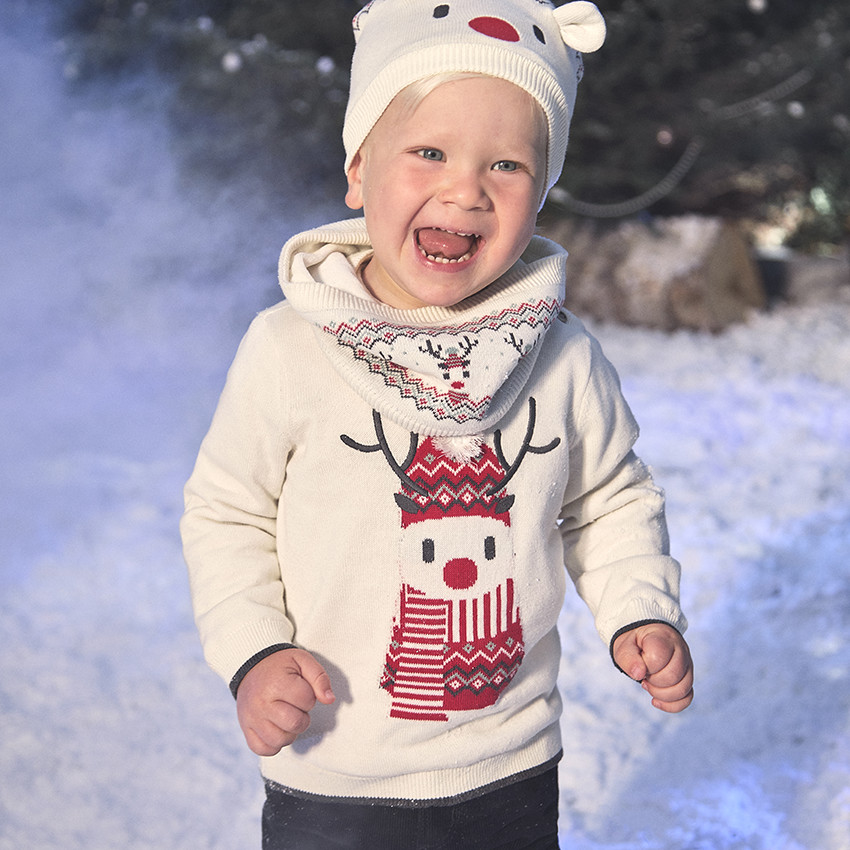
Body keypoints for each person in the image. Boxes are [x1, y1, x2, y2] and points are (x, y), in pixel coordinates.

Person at [181, 1, 694, 847]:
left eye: (507, 164)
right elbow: (228, 513)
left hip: (511, 764)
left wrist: (641, 610)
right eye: (429, 152)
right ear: (358, 170)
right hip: (334, 768)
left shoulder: (562, 358)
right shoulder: (287, 349)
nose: (466, 189)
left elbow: (607, 500)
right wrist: (253, 651)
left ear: (543, 191)